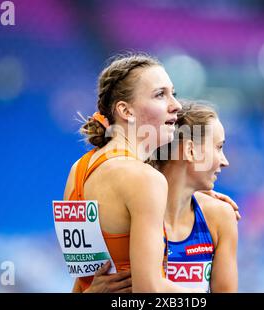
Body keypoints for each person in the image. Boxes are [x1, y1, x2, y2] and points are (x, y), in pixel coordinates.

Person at [63, 53, 203, 292]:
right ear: (126, 111)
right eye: (160, 95)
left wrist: (202, 200)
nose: (176, 105)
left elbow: (84, 280)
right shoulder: (144, 179)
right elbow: (149, 290)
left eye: (173, 94)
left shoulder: (79, 170)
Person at [78, 101, 239, 293]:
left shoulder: (219, 216)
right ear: (190, 150)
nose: (225, 161)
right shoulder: (119, 210)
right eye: (219, 147)